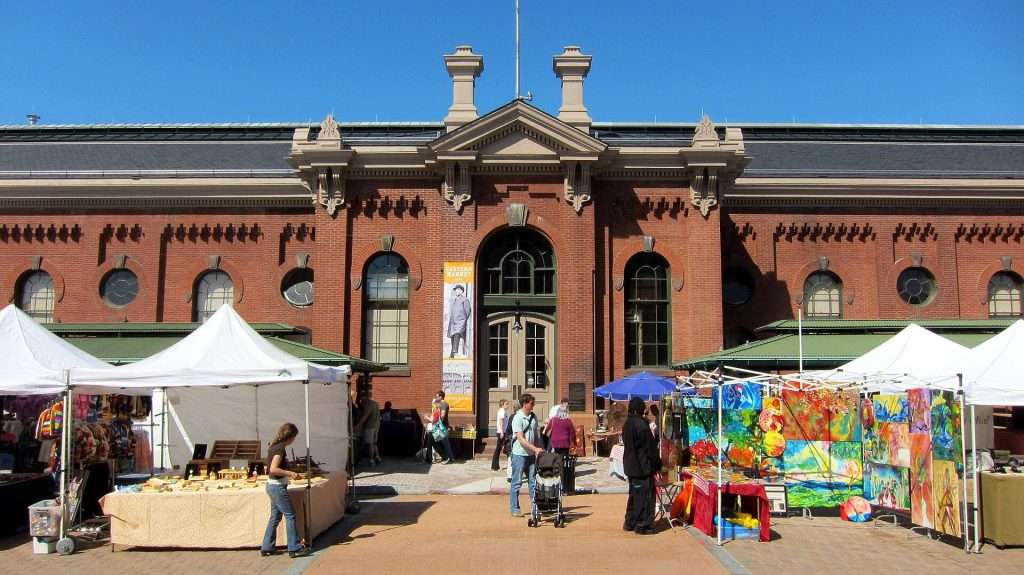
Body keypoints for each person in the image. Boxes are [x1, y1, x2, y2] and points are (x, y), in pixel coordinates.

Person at [260, 423, 310, 558]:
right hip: (277, 486)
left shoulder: (274, 446)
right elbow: (273, 469)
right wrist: (290, 473)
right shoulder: (280, 449)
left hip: (273, 485)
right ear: (290, 436)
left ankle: (267, 546)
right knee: (290, 515)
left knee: (275, 517)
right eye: (294, 437)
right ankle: (294, 547)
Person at [622, 397, 661, 535]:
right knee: (645, 498)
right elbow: (650, 448)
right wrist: (657, 464)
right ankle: (643, 525)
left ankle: (630, 522)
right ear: (640, 409)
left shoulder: (627, 424)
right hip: (642, 467)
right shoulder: (642, 425)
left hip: (630, 466)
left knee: (634, 495)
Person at [510, 393, 543, 518]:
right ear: (525, 404)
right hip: (519, 455)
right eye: (531, 404)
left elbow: (536, 435)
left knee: (533, 482)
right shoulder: (517, 418)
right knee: (516, 482)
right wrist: (535, 449)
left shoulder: (533, 417)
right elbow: (521, 439)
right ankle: (515, 508)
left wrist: (540, 449)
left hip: (531, 456)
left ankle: (535, 508)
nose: (533, 406)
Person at [424, 391, 454, 464]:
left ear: (441, 397)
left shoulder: (443, 404)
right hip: (439, 427)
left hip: (441, 427)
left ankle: (449, 458)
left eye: (437, 396)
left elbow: (442, 415)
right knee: (437, 442)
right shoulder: (440, 404)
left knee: (445, 443)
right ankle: (449, 457)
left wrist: (434, 419)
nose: (436, 398)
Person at [354, 391, 381, 466]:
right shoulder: (375, 403)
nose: (361, 400)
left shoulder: (368, 405)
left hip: (370, 426)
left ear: (364, 397)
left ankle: (371, 460)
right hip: (376, 425)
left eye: (361, 398)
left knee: (370, 444)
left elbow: (364, 417)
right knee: (374, 443)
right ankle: (378, 457)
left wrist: (357, 426)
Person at [447, 285, 471, 358]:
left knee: (457, 334)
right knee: (452, 335)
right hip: (453, 322)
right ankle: (452, 352)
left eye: (458, 290)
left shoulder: (465, 299)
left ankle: (455, 351)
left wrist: (463, 319)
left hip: (460, 321)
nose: (456, 291)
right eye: (456, 290)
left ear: (461, 291)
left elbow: (468, 310)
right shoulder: (454, 300)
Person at [491, 399, 510, 471]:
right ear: (502, 405)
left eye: (507, 404)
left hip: (504, 432)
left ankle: (496, 466)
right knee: (498, 448)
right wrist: (502, 432)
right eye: (506, 404)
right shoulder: (502, 411)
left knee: (503, 448)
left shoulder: (504, 411)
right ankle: (494, 466)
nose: (507, 405)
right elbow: (501, 421)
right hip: (501, 432)